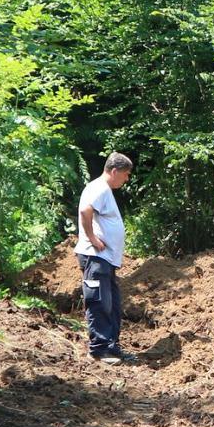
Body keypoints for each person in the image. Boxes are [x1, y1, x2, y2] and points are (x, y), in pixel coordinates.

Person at [75, 152, 136, 364]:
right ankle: (99, 350)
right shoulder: (99, 188)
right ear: (114, 171)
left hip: (104, 260)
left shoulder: (104, 190)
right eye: (126, 174)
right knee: (99, 302)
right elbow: (85, 211)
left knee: (112, 304)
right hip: (95, 258)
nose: (127, 179)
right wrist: (92, 238)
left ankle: (111, 347)